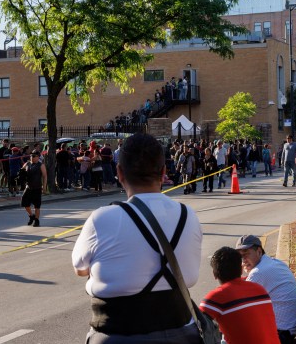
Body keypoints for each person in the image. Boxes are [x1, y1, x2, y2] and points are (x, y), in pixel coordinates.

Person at [72, 133, 203, 343]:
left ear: (119, 172)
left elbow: (80, 269)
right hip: (181, 332)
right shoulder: (189, 216)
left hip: (116, 333)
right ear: (163, 172)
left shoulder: (102, 218)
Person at [200, 246, 280, 344]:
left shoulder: (216, 297)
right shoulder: (259, 289)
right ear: (241, 269)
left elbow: (197, 326)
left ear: (214, 274)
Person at [235, 235, 296, 344]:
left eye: (246, 254)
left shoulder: (258, 272)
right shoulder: (274, 262)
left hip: (281, 334)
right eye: (240, 257)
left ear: (259, 251)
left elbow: (238, 304)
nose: (243, 261)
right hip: (291, 328)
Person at [21, 150, 47, 227]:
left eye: (34, 156)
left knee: (37, 205)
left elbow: (45, 176)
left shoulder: (40, 165)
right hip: (28, 187)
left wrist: (44, 187)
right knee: (25, 203)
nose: (32, 157)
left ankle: (36, 220)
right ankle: (31, 216)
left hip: (37, 187)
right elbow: (21, 172)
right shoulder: (27, 164)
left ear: (38, 157)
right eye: (31, 155)